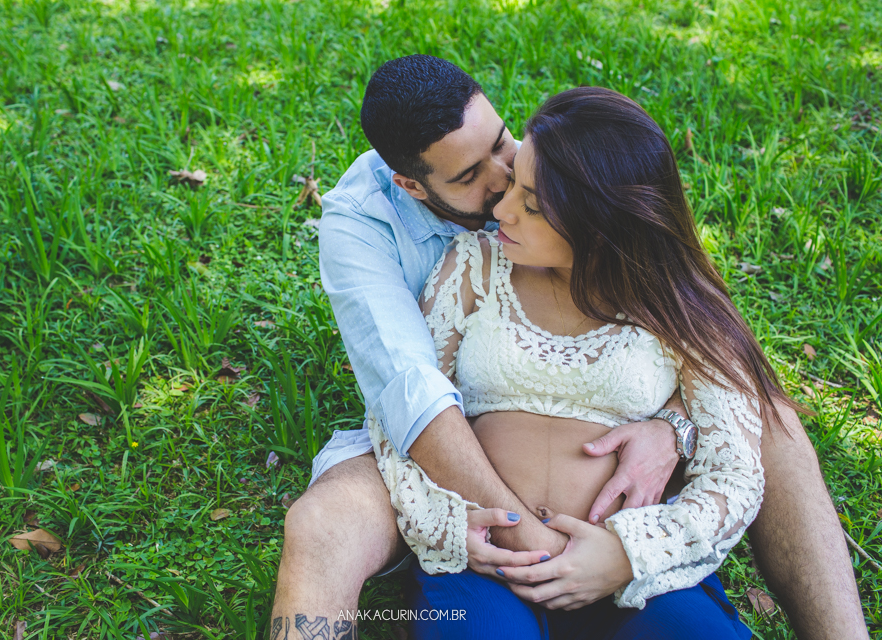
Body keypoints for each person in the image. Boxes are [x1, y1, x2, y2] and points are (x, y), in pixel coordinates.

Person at [270, 55, 868, 640]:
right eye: (469, 177)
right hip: (451, 467)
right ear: (412, 185)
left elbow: (715, 382)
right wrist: (515, 534)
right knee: (323, 524)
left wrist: (672, 427)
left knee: (771, 418)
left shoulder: (561, 165)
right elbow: (407, 397)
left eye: (506, 150)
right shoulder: (369, 228)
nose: (503, 187)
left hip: (623, 532)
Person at [388, 85, 767, 638]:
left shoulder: (676, 304)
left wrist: (626, 554)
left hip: (637, 575)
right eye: (515, 180)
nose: (502, 209)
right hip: (491, 565)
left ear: (602, 221)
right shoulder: (474, 266)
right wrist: (446, 523)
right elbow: (402, 413)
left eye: (532, 204)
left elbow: (735, 475)